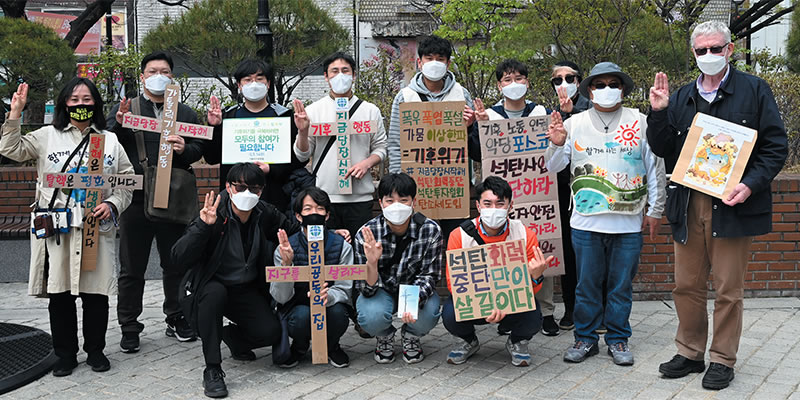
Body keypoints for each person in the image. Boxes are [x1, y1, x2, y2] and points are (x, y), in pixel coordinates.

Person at [646, 21, 788, 390]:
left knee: (728, 288)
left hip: (733, 204)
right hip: (688, 201)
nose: (708, 56)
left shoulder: (754, 90)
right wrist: (659, 112)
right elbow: (663, 149)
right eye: (701, 50)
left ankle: (723, 358)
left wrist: (750, 185)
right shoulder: (679, 96)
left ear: (730, 49)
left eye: (715, 48)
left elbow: (775, 147)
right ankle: (690, 351)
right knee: (686, 284)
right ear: (693, 53)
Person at [0, 79, 134, 376]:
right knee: (60, 294)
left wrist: (112, 204)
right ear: (64, 104)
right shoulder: (47, 136)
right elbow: (10, 149)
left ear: (96, 104)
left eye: (87, 99)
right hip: (57, 229)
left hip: (94, 227)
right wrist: (15, 113)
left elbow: (126, 180)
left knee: (95, 294)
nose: (81, 104)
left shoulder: (109, 140)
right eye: (74, 99)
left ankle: (96, 351)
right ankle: (65, 354)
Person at [546, 62, 666, 366]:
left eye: (614, 84)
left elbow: (655, 169)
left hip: (628, 221)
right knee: (586, 284)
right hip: (586, 221)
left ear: (623, 89)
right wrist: (557, 145)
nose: (607, 90)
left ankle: (618, 339)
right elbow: (553, 166)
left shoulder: (640, 122)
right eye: (600, 85)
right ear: (589, 90)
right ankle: (585, 338)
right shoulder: (574, 123)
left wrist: (656, 209)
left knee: (620, 286)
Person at [171, 163, 298, 398]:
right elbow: (177, 258)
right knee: (214, 294)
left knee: (270, 332)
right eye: (240, 187)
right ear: (229, 187)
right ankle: (213, 369)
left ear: (261, 191)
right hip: (210, 286)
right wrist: (202, 227)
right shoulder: (213, 213)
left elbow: (294, 229)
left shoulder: (264, 213)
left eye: (255, 189)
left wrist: (330, 233)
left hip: (244, 289)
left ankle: (234, 338)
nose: (247, 193)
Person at [107, 51, 205, 352]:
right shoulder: (127, 108)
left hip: (174, 198)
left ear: (172, 77)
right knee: (131, 267)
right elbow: (107, 142)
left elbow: (201, 147)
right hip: (135, 199)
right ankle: (129, 325)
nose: (158, 75)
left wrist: (185, 149)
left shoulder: (186, 113)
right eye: (152, 71)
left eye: (164, 71)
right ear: (142, 76)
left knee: (174, 262)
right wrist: (120, 124)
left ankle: (176, 316)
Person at [442, 176, 550, 366]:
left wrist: (535, 276)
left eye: (500, 204)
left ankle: (517, 341)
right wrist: (484, 305)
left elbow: (529, 292)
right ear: (478, 206)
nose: (494, 209)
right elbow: (454, 284)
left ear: (510, 206)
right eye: (487, 203)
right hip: (475, 302)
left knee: (534, 314)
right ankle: (468, 340)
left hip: (512, 303)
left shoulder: (525, 234)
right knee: (450, 313)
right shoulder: (459, 236)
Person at [386, 35, 476, 243]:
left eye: (440, 58)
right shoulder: (405, 97)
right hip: (417, 188)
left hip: (454, 188)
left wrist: (471, 126)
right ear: (419, 62)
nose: (434, 63)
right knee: (421, 247)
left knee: (455, 244)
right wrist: (399, 185)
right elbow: (395, 143)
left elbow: (473, 144)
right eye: (429, 58)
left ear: (448, 63)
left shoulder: (461, 94)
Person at [292, 52, 387, 240]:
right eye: (334, 71)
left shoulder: (369, 110)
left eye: (345, 71)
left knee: (361, 252)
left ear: (353, 75)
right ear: (326, 77)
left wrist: (366, 164)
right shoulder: (313, 111)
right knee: (328, 253)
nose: (340, 76)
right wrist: (303, 131)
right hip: (323, 200)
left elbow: (381, 148)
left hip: (360, 199)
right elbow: (302, 155)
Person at [354, 173, 443, 364]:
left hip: (413, 289)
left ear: (413, 202)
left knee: (429, 313)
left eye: (403, 200)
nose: (397, 206)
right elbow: (365, 289)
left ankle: (411, 336)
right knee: (371, 316)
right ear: (381, 202)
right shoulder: (366, 234)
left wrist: (411, 302)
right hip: (380, 290)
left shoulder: (430, 230)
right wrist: (371, 263)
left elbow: (430, 275)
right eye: (390, 200)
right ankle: (384, 336)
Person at [205, 58, 308, 213]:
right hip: (234, 199)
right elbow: (211, 158)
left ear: (268, 84)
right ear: (239, 85)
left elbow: (298, 160)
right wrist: (215, 127)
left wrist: (271, 169)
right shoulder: (228, 116)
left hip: (273, 196)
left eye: (259, 79)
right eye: (247, 80)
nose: (253, 84)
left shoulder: (283, 116)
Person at [271, 187, 354, 368]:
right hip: (298, 305)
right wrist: (287, 265)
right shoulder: (285, 248)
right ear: (299, 216)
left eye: (319, 208)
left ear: (327, 215)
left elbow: (345, 287)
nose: (314, 213)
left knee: (339, 313)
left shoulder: (342, 246)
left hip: (330, 303)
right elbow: (281, 297)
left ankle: (332, 346)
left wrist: (329, 296)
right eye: (308, 209)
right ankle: (300, 346)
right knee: (300, 317)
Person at [550, 61, 592, 334]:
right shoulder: (549, 111)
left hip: (590, 187)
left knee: (590, 252)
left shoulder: (592, 107)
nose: (563, 83)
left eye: (569, 77)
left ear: (580, 79)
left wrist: (572, 113)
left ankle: (593, 310)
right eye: (557, 79)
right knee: (567, 250)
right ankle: (570, 307)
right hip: (561, 190)